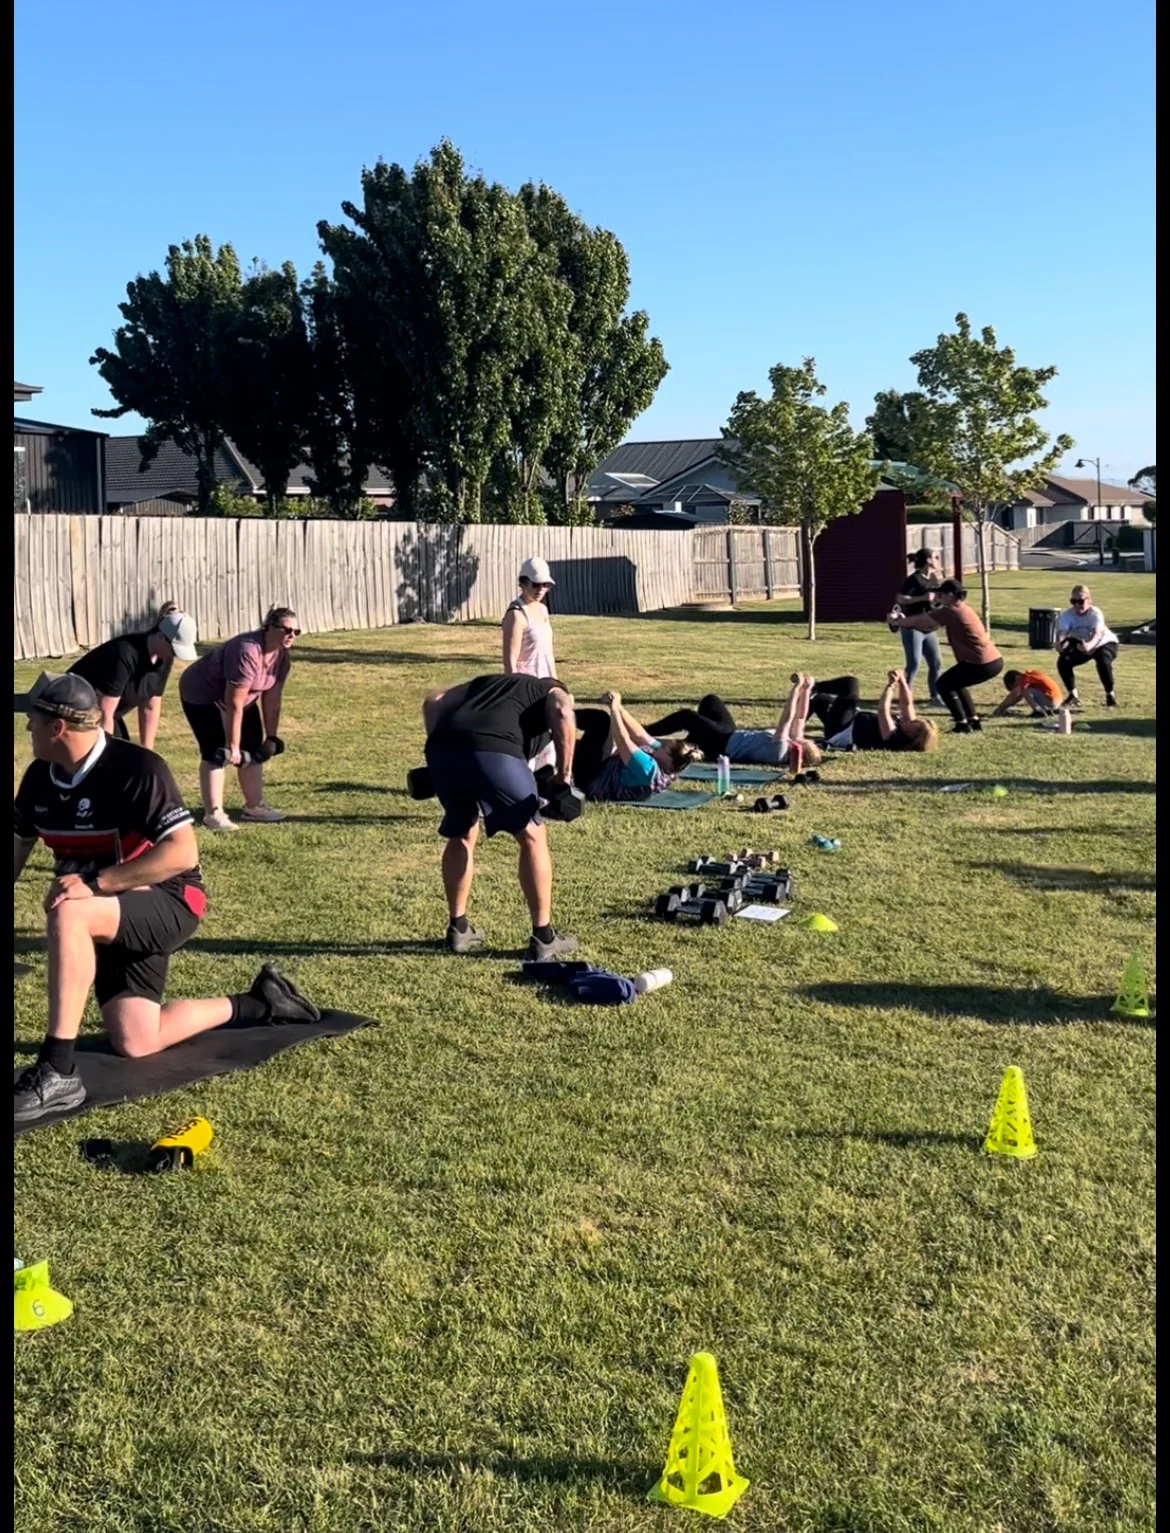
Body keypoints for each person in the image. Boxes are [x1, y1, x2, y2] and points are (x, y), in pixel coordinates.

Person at [12, 675, 320, 1125]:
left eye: (32, 721)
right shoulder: (40, 777)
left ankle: (58, 1068)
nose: (26, 730)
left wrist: (97, 883)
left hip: (171, 901)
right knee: (137, 1040)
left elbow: (182, 853)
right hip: (112, 912)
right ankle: (260, 1002)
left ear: (58, 727)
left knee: (69, 909)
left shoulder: (137, 769)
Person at [422, 672, 579, 958]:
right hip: (494, 750)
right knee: (532, 836)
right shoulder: (551, 691)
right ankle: (544, 937)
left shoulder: (491, 683)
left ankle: (458, 928)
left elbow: (434, 702)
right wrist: (564, 777)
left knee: (462, 832)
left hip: (442, 750)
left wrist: (439, 752)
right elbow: (562, 710)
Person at [178, 606, 300, 831]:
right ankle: (213, 814)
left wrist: (271, 737)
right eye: (287, 630)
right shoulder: (247, 650)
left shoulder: (282, 658)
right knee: (215, 750)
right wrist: (232, 746)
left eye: (296, 631)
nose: (292, 635)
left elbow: (272, 699)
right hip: (202, 693)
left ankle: (255, 806)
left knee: (253, 744)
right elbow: (233, 701)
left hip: (243, 698)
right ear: (270, 628)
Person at [67, 604, 199, 748]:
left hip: (105, 715)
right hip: (73, 712)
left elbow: (150, 707)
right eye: (174, 650)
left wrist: (147, 752)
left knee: (128, 758)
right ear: (160, 636)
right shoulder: (125, 654)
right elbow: (104, 712)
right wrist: (105, 757)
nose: (174, 655)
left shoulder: (164, 659)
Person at [891, 580, 1003, 733]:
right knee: (956, 683)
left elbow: (923, 620)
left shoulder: (950, 610)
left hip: (980, 662)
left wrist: (898, 621)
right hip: (993, 660)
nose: (938, 597)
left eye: (941, 594)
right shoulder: (963, 608)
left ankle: (962, 724)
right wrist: (904, 622)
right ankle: (973, 720)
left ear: (950, 595)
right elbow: (930, 625)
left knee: (943, 684)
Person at [645, 677, 824, 770]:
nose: (802, 738)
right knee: (711, 701)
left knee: (687, 716)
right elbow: (800, 718)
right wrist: (806, 690)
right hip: (730, 734)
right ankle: (697, 740)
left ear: (799, 750)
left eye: (804, 741)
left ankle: (644, 732)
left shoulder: (780, 751)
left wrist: (795, 689)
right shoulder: (792, 743)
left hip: (722, 744)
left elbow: (787, 716)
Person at [572, 693, 702, 801]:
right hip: (603, 767)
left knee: (600, 721)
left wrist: (615, 710)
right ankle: (561, 718)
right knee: (597, 728)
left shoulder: (648, 769)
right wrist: (621, 708)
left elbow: (623, 741)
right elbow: (640, 735)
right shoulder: (665, 762)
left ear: (669, 759)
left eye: (664, 748)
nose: (660, 746)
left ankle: (560, 715)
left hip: (591, 779)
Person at [502, 556, 557, 774]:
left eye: (546, 585)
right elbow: (510, 662)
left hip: (547, 684)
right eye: (536, 584)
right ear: (523, 583)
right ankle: (523, 786)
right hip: (526, 688)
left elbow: (548, 653)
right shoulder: (516, 614)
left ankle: (547, 787)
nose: (540, 589)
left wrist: (557, 683)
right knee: (530, 742)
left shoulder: (543, 610)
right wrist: (516, 694)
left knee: (550, 739)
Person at [807, 671, 939, 752]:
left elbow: (883, 710)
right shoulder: (907, 728)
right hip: (850, 719)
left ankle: (812, 687)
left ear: (912, 737)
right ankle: (792, 731)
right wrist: (902, 680)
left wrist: (891, 685)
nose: (909, 721)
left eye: (912, 724)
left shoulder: (897, 740)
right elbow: (906, 704)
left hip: (842, 730)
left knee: (850, 685)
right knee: (818, 700)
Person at [892, 549, 944, 703]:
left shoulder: (934, 578)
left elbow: (936, 599)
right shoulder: (914, 579)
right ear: (928, 560)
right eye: (936, 557)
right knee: (914, 663)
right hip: (912, 626)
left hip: (928, 627)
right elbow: (900, 598)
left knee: (936, 663)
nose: (938, 559)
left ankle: (935, 696)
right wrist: (922, 597)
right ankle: (905, 697)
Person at [1055, 585, 1120, 708]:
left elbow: (1098, 633)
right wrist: (1059, 643)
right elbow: (1063, 632)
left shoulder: (1095, 613)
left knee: (1102, 659)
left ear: (1089, 600)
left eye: (1080, 601)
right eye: (1073, 601)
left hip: (1104, 642)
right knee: (1063, 662)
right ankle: (1073, 695)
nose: (1077, 605)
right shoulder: (1067, 615)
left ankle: (1109, 694)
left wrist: (1090, 645)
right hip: (1081, 643)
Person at [992, 668, 1062, 719]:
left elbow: (1015, 695)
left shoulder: (1025, 678)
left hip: (1052, 700)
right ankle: (1047, 710)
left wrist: (1000, 709)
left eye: (1013, 687)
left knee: (1026, 691)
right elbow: (1017, 697)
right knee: (1025, 691)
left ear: (1016, 678)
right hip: (1055, 701)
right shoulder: (1031, 676)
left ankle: (1038, 711)